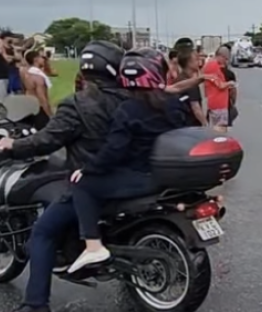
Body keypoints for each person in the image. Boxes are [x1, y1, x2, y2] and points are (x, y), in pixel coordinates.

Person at [0, 41, 129, 312]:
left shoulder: (78, 104)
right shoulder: (130, 99)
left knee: (42, 233)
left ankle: (35, 306)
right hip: (127, 180)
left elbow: (47, 140)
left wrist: (13, 145)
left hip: (91, 183)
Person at [66, 48, 188, 273]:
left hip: (141, 176)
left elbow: (114, 150)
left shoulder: (128, 110)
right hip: (169, 174)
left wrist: (88, 169)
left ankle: (93, 245)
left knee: (82, 184)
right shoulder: (174, 103)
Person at [202, 47, 233, 132]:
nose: (226, 62)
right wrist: (230, 83)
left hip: (214, 102)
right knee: (221, 131)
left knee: (216, 129)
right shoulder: (213, 66)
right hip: (219, 104)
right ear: (221, 56)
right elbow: (220, 85)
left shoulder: (210, 65)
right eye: (226, 59)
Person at [177, 48, 208, 126]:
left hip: (181, 122)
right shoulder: (190, 82)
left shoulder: (179, 78)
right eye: (196, 59)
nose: (199, 61)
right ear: (188, 63)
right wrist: (205, 124)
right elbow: (195, 107)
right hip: (191, 124)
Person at [22, 50, 52, 128]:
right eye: (41, 57)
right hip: (39, 109)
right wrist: (50, 114)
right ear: (36, 60)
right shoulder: (38, 78)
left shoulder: (26, 74)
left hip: (29, 108)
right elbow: (42, 98)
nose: (43, 60)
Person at [0, 33, 12, 100]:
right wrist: (0, 42)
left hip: (0, 76)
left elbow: (6, 58)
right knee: (1, 99)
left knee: (1, 99)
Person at [222, 61, 238, 126]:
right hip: (226, 106)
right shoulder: (230, 74)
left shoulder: (212, 73)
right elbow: (233, 91)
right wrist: (233, 103)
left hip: (213, 106)